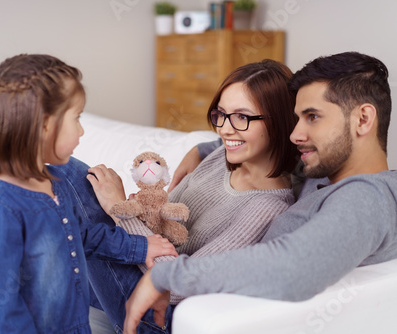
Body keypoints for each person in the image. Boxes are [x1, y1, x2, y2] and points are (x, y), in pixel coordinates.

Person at [122, 51, 397, 333]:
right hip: (191, 307)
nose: (295, 134)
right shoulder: (325, 170)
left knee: (75, 182)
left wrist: (165, 276)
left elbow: (295, 266)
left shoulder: (367, 197)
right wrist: (202, 149)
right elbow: (269, 143)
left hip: (186, 313)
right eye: (297, 118)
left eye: (313, 117)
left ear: (363, 119)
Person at [0, 54, 178, 334]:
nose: (81, 131)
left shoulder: (54, 185)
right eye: (76, 119)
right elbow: (3, 310)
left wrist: (140, 247)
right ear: (44, 125)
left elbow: (83, 236)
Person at [85, 59, 299, 333]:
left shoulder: (267, 208)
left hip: (158, 310)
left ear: (279, 121)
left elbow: (178, 285)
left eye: (242, 117)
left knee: (75, 184)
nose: (224, 129)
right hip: (135, 272)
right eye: (220, 114)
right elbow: (162, 225)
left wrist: (117, 209)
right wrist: (131, 208)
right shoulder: (219, 156)